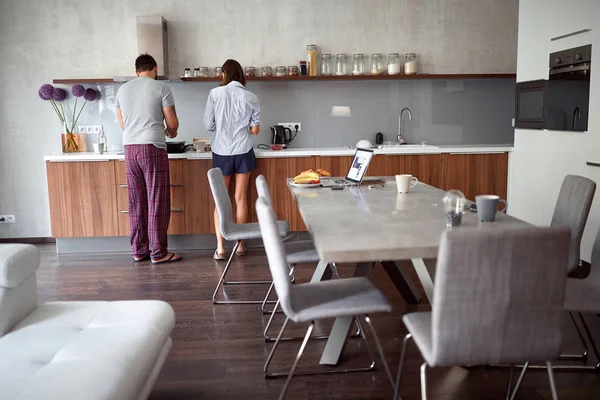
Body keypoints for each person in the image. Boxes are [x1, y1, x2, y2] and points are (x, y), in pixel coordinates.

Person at [115, 53, 182, 265]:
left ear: (136, 72)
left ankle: (139, 250)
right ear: (155, 69)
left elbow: (123, 123)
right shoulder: (160, 87)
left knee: (136, 201)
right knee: (157, 200)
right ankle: (159, 253)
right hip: (152, 147)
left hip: (129, 147)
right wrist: (171, 131)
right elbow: (171, 119)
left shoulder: (123, 90)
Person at [203, 59, 260, 260]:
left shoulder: (214, 94)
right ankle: (241, 246)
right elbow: (255, 129)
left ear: (224, 74)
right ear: (241, 74)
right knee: (241, 198)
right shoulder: (250, 96)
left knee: (221, 201)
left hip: (221, 151)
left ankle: (220, 248)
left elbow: (208, 125)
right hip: (243, 150)